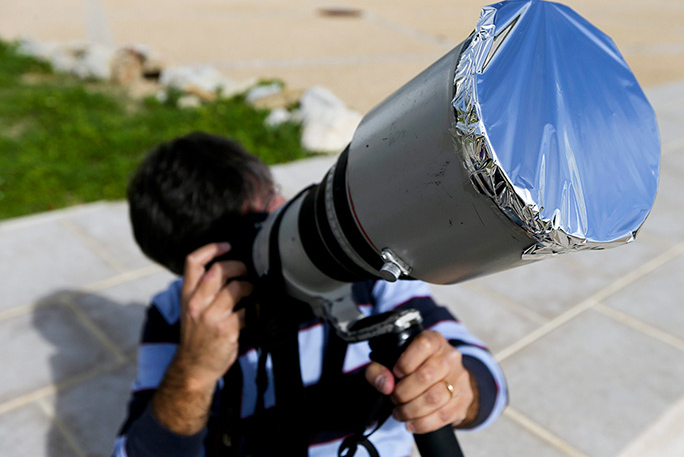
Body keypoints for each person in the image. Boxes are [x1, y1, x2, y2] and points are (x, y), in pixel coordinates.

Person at [113, 131, 508, 456]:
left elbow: (485, 379)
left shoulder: (360, 267)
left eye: (271, 207)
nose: (272, 239)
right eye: (245, 240)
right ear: (191, 270)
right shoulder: (178, 315)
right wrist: (194, 373)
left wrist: (455, 391)